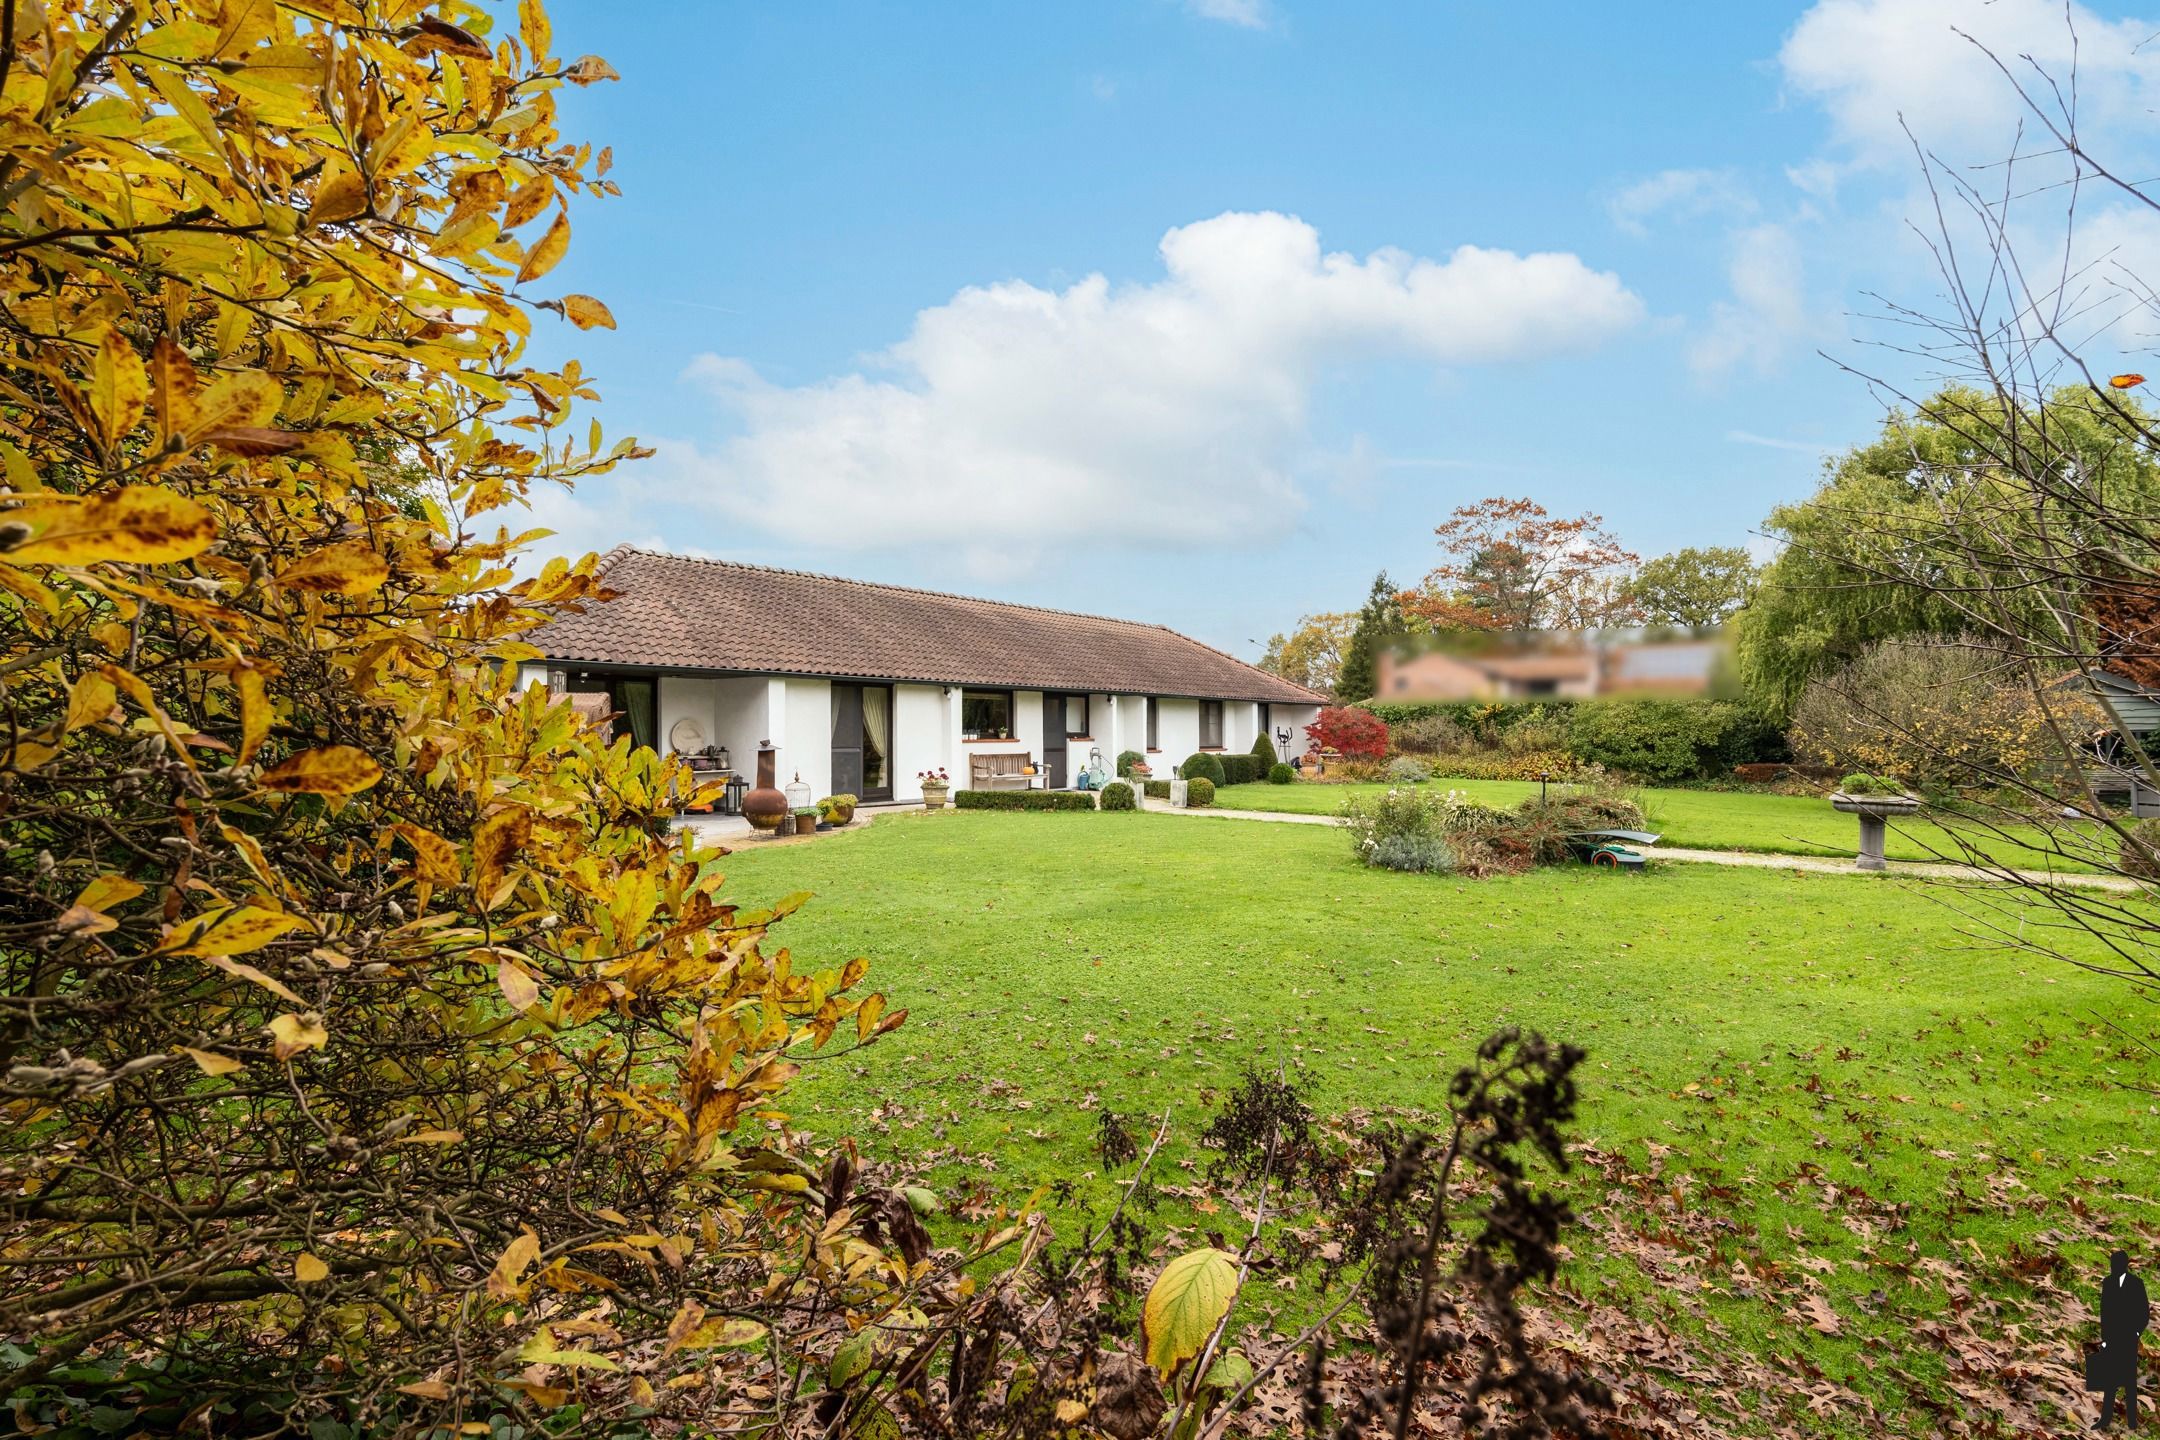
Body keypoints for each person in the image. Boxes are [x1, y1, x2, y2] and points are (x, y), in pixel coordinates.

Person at [2100, 1249, 2150, 1429]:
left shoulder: (2136, 1284)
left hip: (2128, 1339)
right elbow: (2104, 1313)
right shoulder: (2108, 1283)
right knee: (2110, 1380)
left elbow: (2144, 1312)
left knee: (2129, 1381)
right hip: (2112, 1338)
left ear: (2124, 1265)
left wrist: (2136, 1332)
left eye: (2116, 1264)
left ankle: (2132, 1421)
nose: (2113, 1267)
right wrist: (2104, 1338)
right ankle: (2105, 1418)